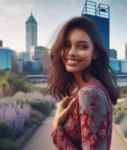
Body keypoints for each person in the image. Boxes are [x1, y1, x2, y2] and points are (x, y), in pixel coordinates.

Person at [47, 16, 119, 150]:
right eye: (67, 45)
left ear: (95, 53)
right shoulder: (85, 89)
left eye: (82, 47)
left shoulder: (90, 93)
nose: (71, 53)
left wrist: (57, 128)